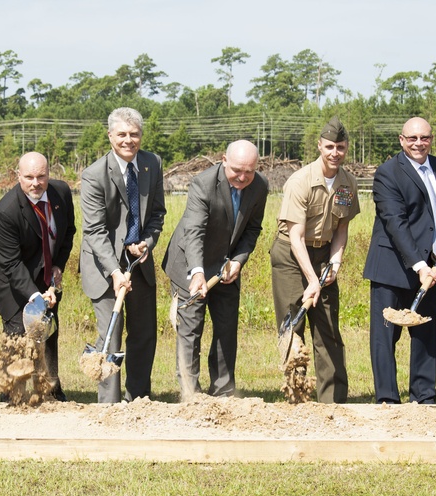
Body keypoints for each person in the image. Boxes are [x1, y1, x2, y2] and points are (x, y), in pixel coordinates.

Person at [363, 116, 436, 404]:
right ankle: (387, 398)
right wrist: (419, 266)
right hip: (392, 268)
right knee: (385, 338)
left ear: (432, 139)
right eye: (413, 138)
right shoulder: (388, 173)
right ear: (401, 140)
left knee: (426, 334)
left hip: (432, 265)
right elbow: (395, 222)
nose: (419, 143)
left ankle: (423, 395)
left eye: (425, 138)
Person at [162, 140, 268, 400]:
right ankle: (190, 392)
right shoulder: (203, 184)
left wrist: (238, 261)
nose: (243, 177)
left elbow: (252, 229)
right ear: (224, 160)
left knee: (226, 327)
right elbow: (194, 232)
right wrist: (197, 272)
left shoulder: (261, 186)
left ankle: (223, 391)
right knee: (191, 328)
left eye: (249, 171)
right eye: (237, 171)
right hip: (190, 262)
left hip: (227, 266)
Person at [270, 116, 360, 404]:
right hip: (291, 255)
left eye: (341, 147)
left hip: (324, 254)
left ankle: (332, 400)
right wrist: (312, 280)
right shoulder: (300, 182)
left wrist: (334, 264)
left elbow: (342, 229)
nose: (335, 153)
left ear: (346, 149)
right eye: (330, 146)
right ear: (320, 146)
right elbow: (296, 237)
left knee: (328, 328)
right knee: (292, 325)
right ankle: (297, 395)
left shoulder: (348, 183)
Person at [80, 107, 166, 403]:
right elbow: (94, 231)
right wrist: (116, 272)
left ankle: (138, 399)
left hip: (139, 262)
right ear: (110, 136)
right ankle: (110, 405)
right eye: (122, 135)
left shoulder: (152, 164)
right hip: (104, 267)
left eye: (134, 134)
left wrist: (147, 243)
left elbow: (156, 214)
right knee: (111, 336)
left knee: (144, 334)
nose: (129, 140)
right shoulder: (93, 175)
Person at [0, 151, 75, 401]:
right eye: (28, 177)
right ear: (18, 176)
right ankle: (12, 393)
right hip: (14, 279)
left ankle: (50, 389)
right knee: (18, 333)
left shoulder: (61, 193)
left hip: (46, 273)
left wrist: (59, 265)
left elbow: (68, 231)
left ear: (49, 174)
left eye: (41, 176)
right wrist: (35, 296)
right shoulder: (5, 212)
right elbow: (11, 264)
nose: (35, 183)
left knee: (48, 329)